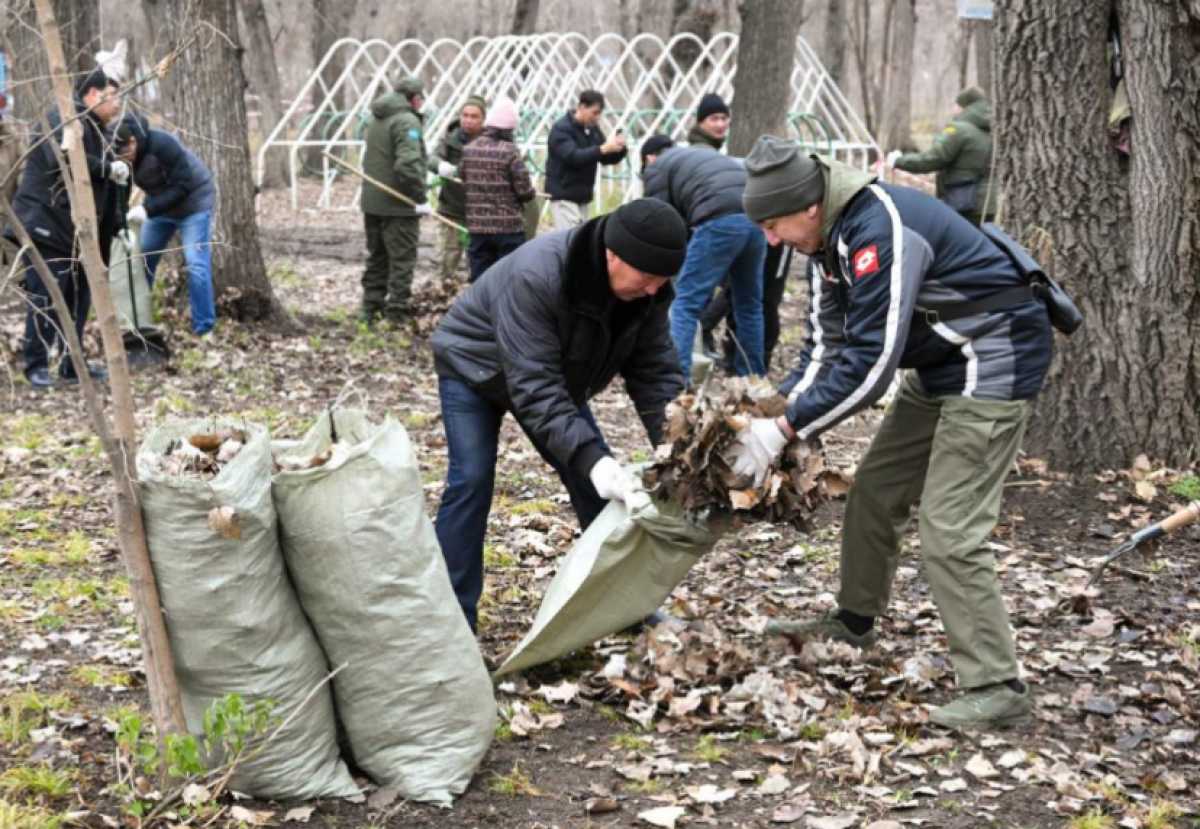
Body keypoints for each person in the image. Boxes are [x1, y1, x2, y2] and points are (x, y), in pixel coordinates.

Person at [729, 135, 1053, 729]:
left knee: (950, 526)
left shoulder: (882, 229)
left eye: (773, 225)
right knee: (875, 491)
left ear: (807, 206)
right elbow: (826, 345)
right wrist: (777, 414)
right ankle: (853, 623)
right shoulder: (827, 241)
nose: (770, 240)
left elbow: (871, 366)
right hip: (942, 359)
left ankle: (997, 684)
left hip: (995, 350)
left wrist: (785, 430)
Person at [430, 198, 688, 631]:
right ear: (612, 254)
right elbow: (534, 388)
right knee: (471, 480)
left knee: (597, 489)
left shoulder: (648, 292)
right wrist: (595, 460)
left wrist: (682, 443)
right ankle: (451, 620)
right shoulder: (539, 275)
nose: (652, 290)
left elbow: (655, 373)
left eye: (662, 281)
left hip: (552, 378)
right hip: (474, 368)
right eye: (646, 278)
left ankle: (625, 606)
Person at [8, 68, 124, 390]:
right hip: (45, 224)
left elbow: (104, 190)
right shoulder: (62, 119)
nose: (118, 104)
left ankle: (72, 363)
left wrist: (118, 224)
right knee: (48, 295)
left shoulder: (96, 130)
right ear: (92, 94)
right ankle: (35, 365)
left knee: (78, 299)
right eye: (113, 96)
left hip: (74, 233)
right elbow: (66, 159)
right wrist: (106, 168)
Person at [640, 135, 766, 378]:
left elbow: (660, 223)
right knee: (749, 305)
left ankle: (677, 381)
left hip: (717, 219)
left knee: (685, 304)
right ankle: (753, 379)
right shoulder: (697, 156)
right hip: (756, 218)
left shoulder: (656, 168)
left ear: (649, 159)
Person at [114, 114, 216, 336]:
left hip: (194, 203)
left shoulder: (162, 144)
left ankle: (204, 328)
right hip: (161, 207)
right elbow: (120, 190)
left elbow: (183, 185)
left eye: (126, 152)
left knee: (195, 263)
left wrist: (146, 210)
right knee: (142, 260)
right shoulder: (121, 158)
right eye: (119, 155)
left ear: (133, 141)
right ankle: (138, 323)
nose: (125, 158)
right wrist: (119, 220)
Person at [358, 74, 431, 324]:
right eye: (421, 98)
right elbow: (408, 164)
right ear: (413, 99)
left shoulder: (376, 119)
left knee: (377, 257)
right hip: (398, 205)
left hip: (372, 201)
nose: (422, 103)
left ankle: (370, 309)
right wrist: (420, 196)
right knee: (401, 261)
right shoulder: (406, 120)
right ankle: (396, 315)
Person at [889, 86, 996, 225]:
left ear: (964, 106)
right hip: (989, 203)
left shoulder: (959, 130)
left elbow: (932, 160)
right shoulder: (991, 130)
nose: (953, 109)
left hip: (963, 202)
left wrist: (898, 161)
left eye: (956, 105)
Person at [459, 96, 535, 282]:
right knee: (507, 278)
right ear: (509, 128)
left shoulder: (469, 149)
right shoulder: (510, 151)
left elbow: (462, 175)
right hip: (507, 228)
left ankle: (479, 310)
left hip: (477, 227)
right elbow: (524, 190)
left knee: (480, 279)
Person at [700, 239, 793, 373]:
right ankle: (736, 359)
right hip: (757, 228)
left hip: (773, 232)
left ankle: (743, 361)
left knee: (759, 294)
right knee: (748, 291)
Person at [544, 89, 626, 230]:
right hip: (564, 196)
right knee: (569, 241)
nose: (597, 117)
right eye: (594, 112)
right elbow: (574, 157)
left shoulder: (592, 130)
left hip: (582, 196)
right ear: (582, 107)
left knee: (579, 241)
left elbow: (604, 158)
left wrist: (619, 148)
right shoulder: (561, 129)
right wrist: (604, 148)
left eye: (599, 113)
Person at [428, 95, 485, 284]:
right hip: (451, 209)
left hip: (481, 213)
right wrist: (442, 166)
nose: (468, 120)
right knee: (446, 259)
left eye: (474, 116)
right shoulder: (451, 137)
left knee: (479, 263)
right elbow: (431, 158)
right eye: (465, 115)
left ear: (483, 119)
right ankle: (440, 294)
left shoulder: (490, 141)